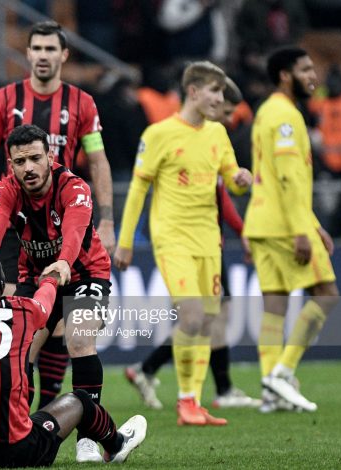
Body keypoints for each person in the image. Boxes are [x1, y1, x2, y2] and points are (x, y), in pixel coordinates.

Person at [0, 20, 115, 426]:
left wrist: (108, 222)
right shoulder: (3, 101)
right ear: (28, 53)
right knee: (20, 342)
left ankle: (86, 431)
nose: (44, 55)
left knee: (78, 335)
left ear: (64, 55)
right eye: (37, 48)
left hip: (79, 255)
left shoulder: (82, 105)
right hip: (25, 236)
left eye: (52, 48)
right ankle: (22, 422)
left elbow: (97, 162)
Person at [114, 61, 252, 426]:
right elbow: (138, 189)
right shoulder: (159, 134)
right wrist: (125, 241)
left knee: (206, 321)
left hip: (209, 239)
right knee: (192, 314)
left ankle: (190, 402)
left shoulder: (218, 134)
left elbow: (231, 182)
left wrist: (242, 178)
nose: (221, 100)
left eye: (222, 93)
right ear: (193, 91)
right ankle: (184, 399)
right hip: (172, 237)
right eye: (215, 92)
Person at [0, 251, 147, 468]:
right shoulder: (21, 311)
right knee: (81, 400)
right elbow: (44, 304)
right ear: (1, 286)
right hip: (15, 451)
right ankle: (117, 443)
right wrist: (50, 279)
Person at [0, 124, 112, 462]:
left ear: (50, 157)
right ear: (10, 164)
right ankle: (18, 428)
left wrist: (64, 262)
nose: (29, 168)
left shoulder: (74, 186)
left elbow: (74, 230)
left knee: (79, 339)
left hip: (84, 272)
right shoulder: (5, 190)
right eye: (20, 162)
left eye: (36, 158)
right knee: (21, 351)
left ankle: (88, 437)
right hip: (35, 276)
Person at [243, 46, 340, 413]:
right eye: (305, 69)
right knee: (327, 295)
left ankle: (271, 390)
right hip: (285, 225)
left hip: (263, 221)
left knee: (275, 307)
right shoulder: (285, 116)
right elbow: (287, 176)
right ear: (285, 75)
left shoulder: (268, 110)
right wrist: (303, 229)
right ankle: (282, 373)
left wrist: (313, 223)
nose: (313, 75)